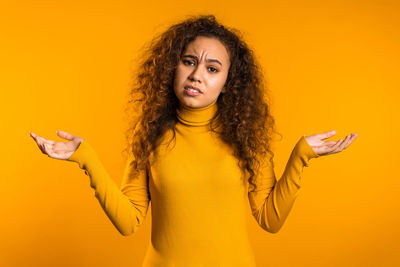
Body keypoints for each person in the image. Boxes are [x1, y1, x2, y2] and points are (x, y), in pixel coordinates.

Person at [30, 15, 358, 266]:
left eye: (212, 68)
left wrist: (301, 156)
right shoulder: (149, 137)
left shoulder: (248, 140)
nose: (197, 75)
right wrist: (86, 157)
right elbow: (129, 222)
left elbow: (270, 220)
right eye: (189, 62)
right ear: (173, 67)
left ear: (228, 82)